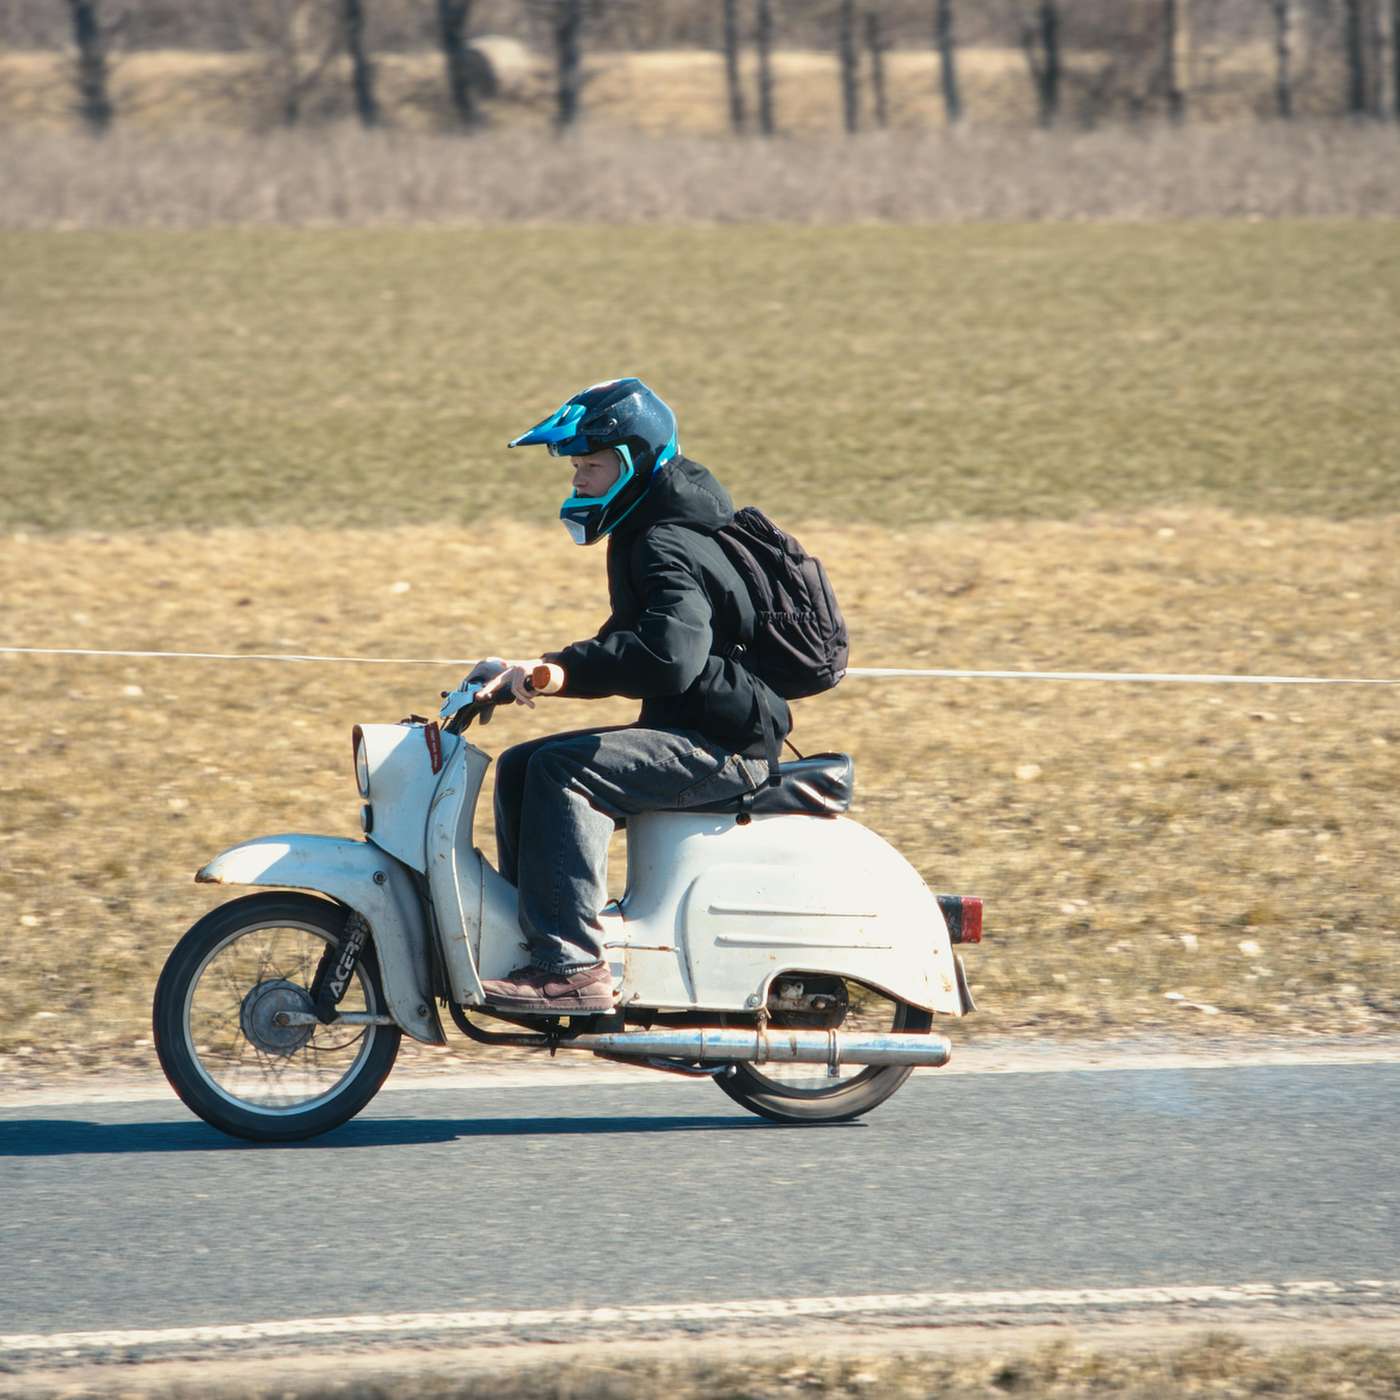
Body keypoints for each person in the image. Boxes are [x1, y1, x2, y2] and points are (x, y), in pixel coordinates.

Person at [470, 378, 792, 1015]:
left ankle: (573, 967)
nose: (577, 482)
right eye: (575, 468)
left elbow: (671, 657)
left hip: (724, 748)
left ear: (631, 461)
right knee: (521, 765)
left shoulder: (662, 540)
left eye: (589, 466)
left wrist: (555, 675)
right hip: (697, 731)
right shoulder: (653, 525)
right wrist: (537, 670)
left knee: (564, 772)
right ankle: (535, 944)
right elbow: (630, 642)